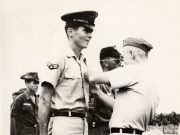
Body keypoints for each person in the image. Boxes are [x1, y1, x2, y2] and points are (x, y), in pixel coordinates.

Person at [38, 11, 98, 135]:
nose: (90, 35)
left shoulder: (83, 61)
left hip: (82, 123)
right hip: (63, 122)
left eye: (91, 31)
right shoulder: (59, 57)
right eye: (86, 30)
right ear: (70, 32)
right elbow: (44, 98)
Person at [86, 37, 159, 135]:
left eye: (122, 57)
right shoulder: (150, 77)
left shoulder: (132, 70)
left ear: (131, 54)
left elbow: (92, 77)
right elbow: (121, 107)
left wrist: (79, 63)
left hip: (123, 132)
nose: (121, 63)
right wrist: (98, 93)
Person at [88, 46, 122, 135]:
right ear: (106, 63)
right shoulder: (96, 84)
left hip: (114, 129)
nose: (120, 64)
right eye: (117, 60)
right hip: (100, 129)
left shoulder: (118, 85)